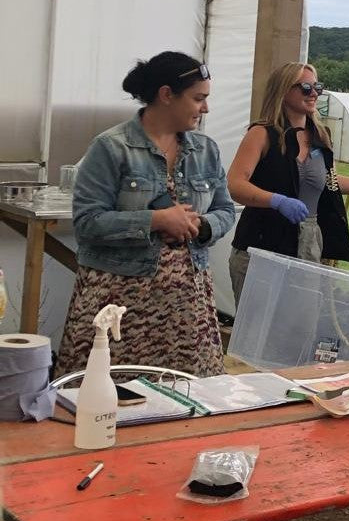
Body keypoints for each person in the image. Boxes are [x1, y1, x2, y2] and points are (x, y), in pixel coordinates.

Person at [57, 52, 235, 378]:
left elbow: (225, 209)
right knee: (108, 390)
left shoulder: (206, 150)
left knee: (187, 392)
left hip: (187, 305)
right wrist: (156, 220)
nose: (205, 108)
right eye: (199, 99)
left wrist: (204, 224)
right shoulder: (111, 147)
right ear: (166, 95)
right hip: (118, 304)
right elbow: (87, 223)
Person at [227, 62, 349, 301]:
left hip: (307, 244)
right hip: (262, 244)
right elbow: (235, 184)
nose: (314, 93)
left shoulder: (320, 137)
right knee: (261, 329)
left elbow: (329, 182)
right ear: (283, 91)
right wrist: (275, 200)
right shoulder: (261, 135)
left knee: (301, 325)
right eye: (305, 87)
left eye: (317, 87)